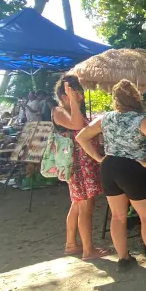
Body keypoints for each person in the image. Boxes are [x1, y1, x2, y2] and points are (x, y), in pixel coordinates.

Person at [76, 79, 146, 272]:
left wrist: (98, 158)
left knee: (117, 216)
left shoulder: (105, 118)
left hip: (109, 167)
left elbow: (81, 137)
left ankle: (123, 259)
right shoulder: (140, 118)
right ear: (135, 97)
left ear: (116, 99)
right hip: (132, 168)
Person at [52, 75, 108, 260]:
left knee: (77, 204)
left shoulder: (74, 111)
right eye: (77, 93)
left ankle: (71, 244)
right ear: (64, 94)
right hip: (78, 166)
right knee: (85, 206)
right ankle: (88, 250)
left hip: (85, 164)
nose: (81, 97)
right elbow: (76, 125)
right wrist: (74, 102)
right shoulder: (60, 112)